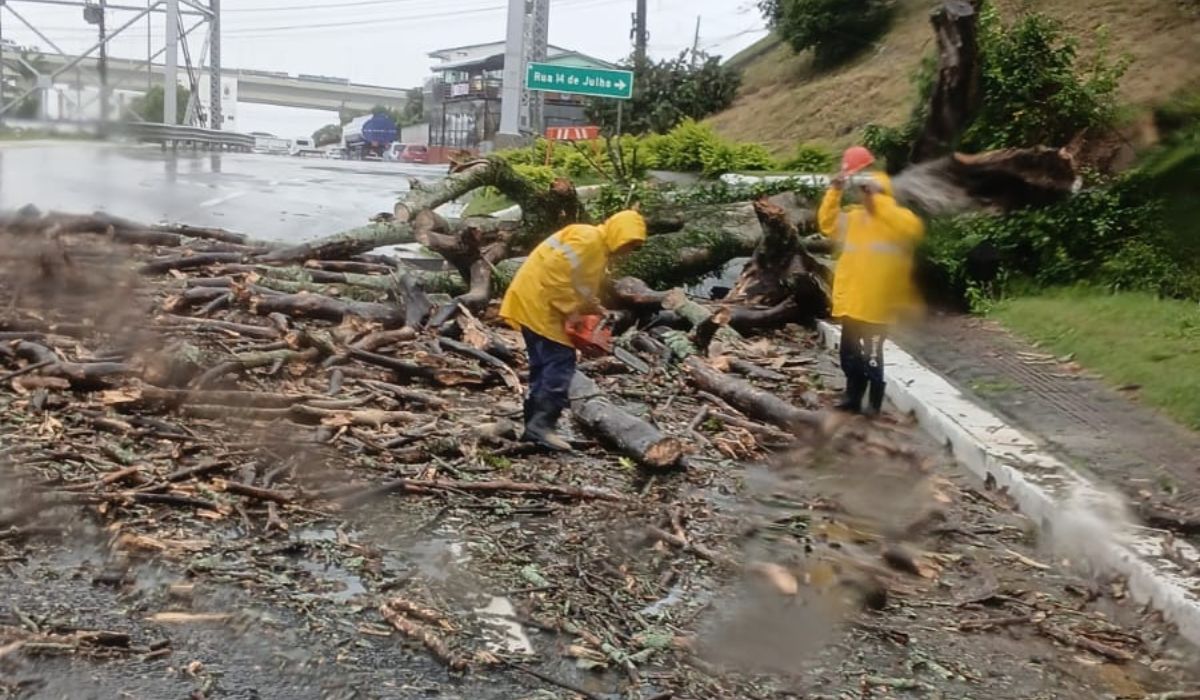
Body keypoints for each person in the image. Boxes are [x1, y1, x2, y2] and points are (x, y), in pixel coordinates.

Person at [500, 210, 648, 450]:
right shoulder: (588, 240)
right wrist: (572, 311)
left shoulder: (594, 245)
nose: (626, 251)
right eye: (628, 244)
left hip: (537, 301)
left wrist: (592, 306)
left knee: (543, 365)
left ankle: (534, 427)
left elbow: (577, 281)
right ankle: (541, 427)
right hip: (542, 305)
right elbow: (555, 274)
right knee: (560, 364)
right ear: (620, 234)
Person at [818, 147, 924, 416]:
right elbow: (826, 224)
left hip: (877, 307)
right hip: (852, 303)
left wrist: (878, 199)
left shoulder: (898, 220)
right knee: (849, 357)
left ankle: (874, 405)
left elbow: (910, 229)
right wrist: (835, 190)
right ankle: (853, 397)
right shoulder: (854, 219)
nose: (864, 197)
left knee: (872, 358)